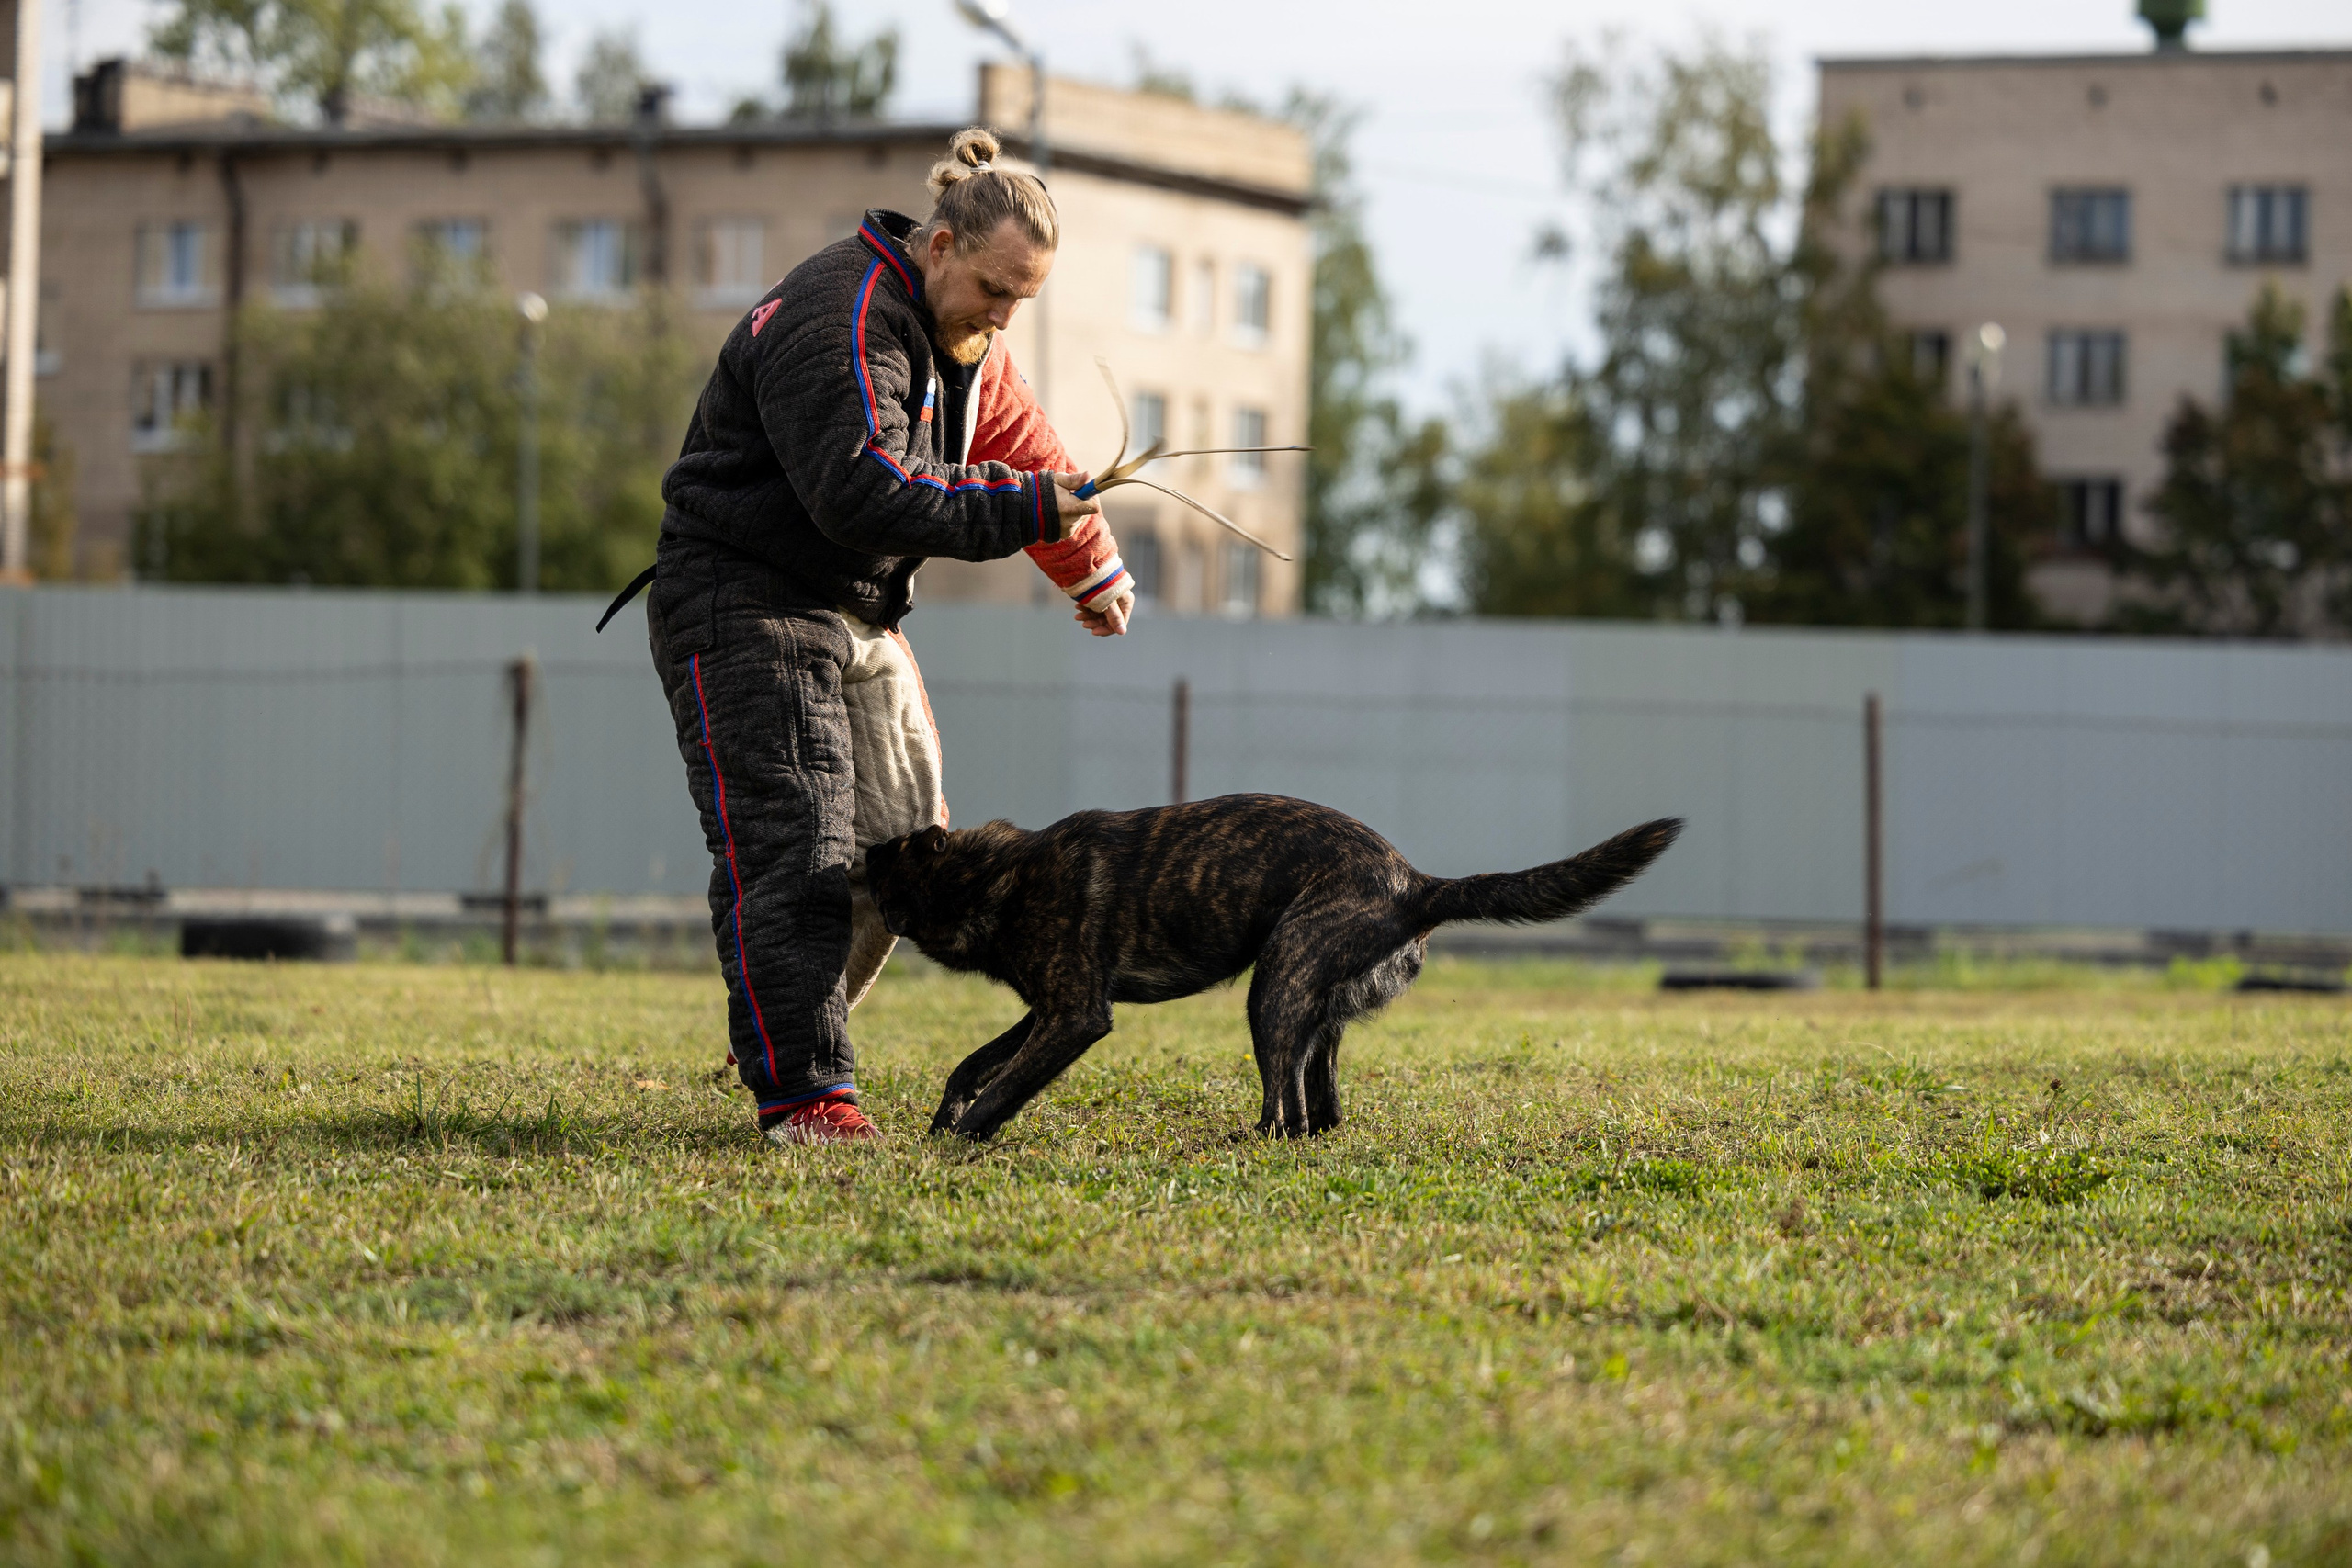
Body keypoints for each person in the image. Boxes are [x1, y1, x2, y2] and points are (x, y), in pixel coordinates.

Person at [645, 126, 1134, 1145]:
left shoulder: (964, 337)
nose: (1003, 318)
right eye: (995, 290)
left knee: (907, 854)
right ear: (941, 245)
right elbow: (864, 493)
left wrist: (1090, 565)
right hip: (743, 596)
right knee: (798, 839)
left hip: (850, 607)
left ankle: (778, 1021)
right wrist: (1025, 512)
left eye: (1022, 302)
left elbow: (1017, 445)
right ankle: (805, 1094)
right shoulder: (843, 316)